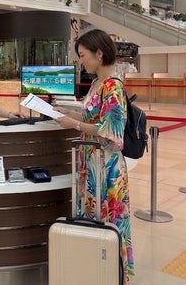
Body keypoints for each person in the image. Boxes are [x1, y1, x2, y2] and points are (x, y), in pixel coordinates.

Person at [54, 29, 135, 283]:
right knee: (94, 219)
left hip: (106, 167)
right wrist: (66, 113)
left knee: (109, 221)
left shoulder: (112, 86)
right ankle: (95, 272)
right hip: (91, 164)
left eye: (83, 55)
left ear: (99, 54)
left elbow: (111, 133)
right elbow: (92, 116)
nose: (81, 61)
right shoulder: (97, 84)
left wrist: (74, 125)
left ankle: (113, 274)